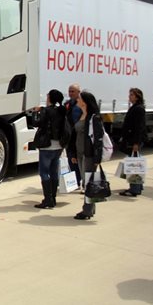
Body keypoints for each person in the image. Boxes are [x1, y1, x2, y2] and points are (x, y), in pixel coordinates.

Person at [67, 90, 104, 220]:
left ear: (85, 101)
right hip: (80, 153)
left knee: (89, 183)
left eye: (80, 98)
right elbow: (75, 135)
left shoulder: (94, 117)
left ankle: (87, 210)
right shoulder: (83, 115)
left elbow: (98, 139)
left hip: (89, 155)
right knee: (87, 181)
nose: (77, 100)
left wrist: (97, 158)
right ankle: (90, 209)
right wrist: (72, 152)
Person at [30, 89, 66, 209]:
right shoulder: (62, 110)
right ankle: (53, 198)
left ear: (50, 98)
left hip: (47, 146)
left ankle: (47, 199)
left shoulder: (47, 111)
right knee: (54, 172)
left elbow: (36, 123)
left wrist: (35, 112)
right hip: (59, 145)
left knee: (44, 172)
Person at [119, 87, 147, 197]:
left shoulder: (138, 109)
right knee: (136, 164)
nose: (129, 97)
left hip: (135, 140)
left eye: (131, 95)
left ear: (137, 97)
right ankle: (138, 185)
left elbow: (139, 127)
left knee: (134, 165)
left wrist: (136, 143)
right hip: (132, 139)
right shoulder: (135, 107)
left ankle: (134, 188)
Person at [64, 83, 82, 186]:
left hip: (78, 136)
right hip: (70, 136)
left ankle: (80, 180)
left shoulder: (81, 105)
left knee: (78, 159)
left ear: (78, 92)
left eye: (73, 91)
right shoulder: (67, 104)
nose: (70, 93)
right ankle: (76, 180)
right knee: (71, 158)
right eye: (69, 91)